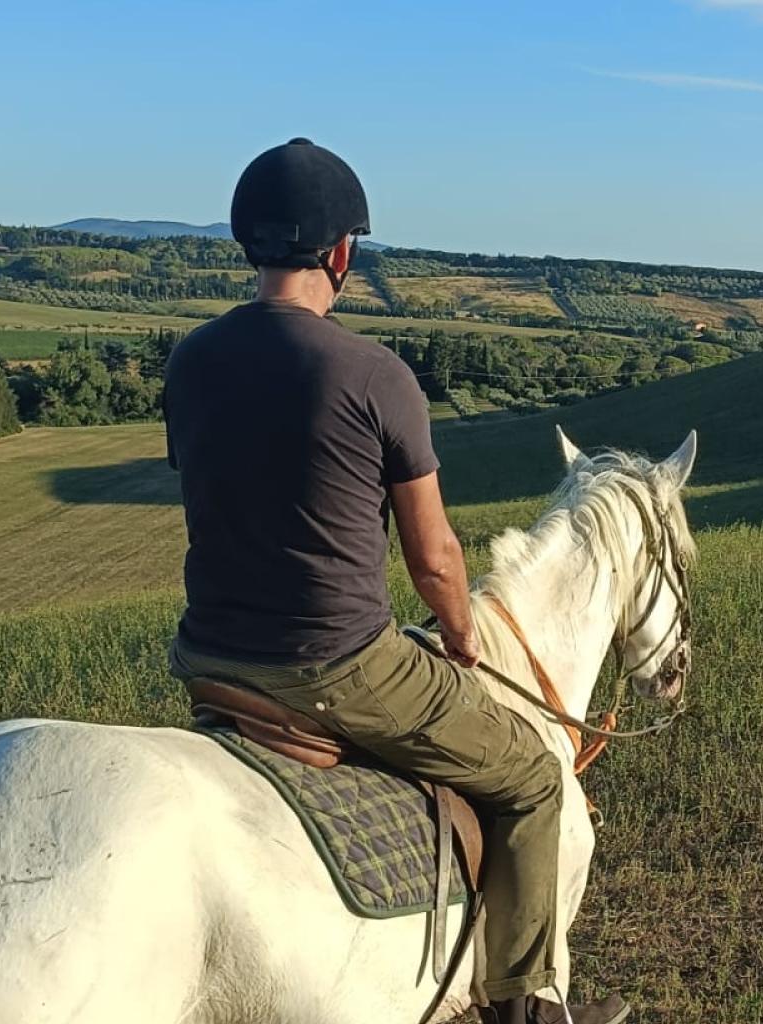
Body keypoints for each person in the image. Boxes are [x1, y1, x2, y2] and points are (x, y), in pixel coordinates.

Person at [162, 139, 628, 1024]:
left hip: (210, 656)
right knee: (534, 776)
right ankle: (525, 1004)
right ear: (341, 253)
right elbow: (434, 558)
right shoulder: (375, 374)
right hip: (336, 666)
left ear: (249, 243)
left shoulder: (191, 359)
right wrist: (459, 633)